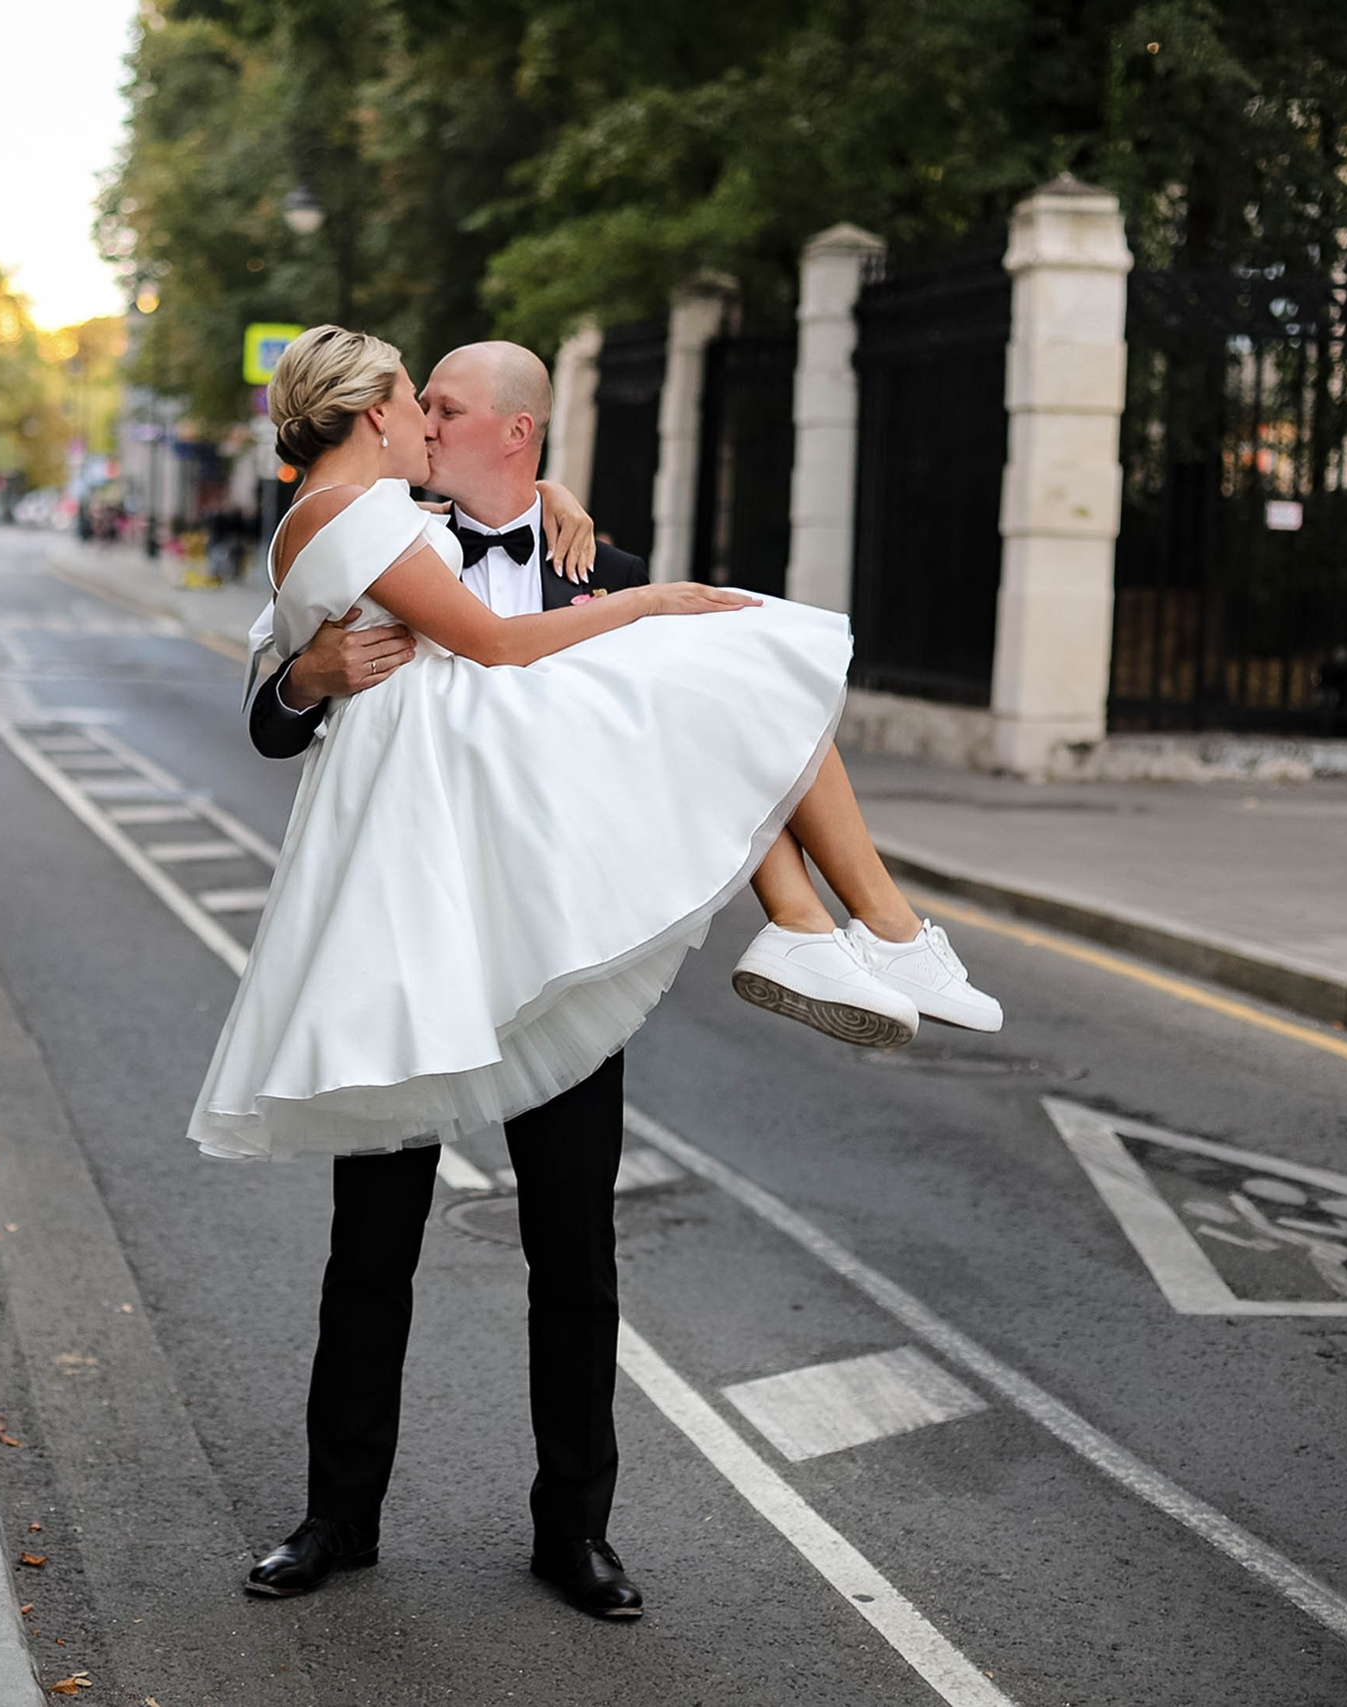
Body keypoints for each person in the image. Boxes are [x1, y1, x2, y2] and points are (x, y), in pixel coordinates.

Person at [208, 328, 999, 1621]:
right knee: (372, 1244)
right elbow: (271, 706)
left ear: (515, 435)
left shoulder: (594, 560)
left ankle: (574, 1533)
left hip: (560, 946)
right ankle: (335, 1518)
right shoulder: (386, 527)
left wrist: (606, 564)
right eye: (418, 402)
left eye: (448, 406)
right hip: (414, 930)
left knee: (575, 1252)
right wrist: (307, 675)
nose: (427, 421)